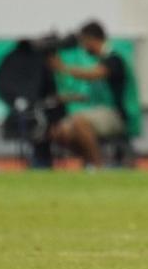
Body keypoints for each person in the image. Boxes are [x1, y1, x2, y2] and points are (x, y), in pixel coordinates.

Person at [49, 21, 130, 168]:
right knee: (60, 132)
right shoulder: (99, 61)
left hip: (115, 114)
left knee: (80, 121)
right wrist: (67, 97)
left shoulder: (114, 59)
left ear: (93, 39)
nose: (83, 47)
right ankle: (90, 161)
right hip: (98, 112)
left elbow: (95, 74)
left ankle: (97, 167)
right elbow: (91, 94)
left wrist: (63, 68)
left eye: (84, 42)